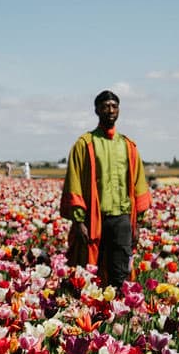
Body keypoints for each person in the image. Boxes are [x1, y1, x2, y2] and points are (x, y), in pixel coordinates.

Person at [60, 91, 150, 288]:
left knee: (120, 273)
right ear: (96, 110)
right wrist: (78, 219)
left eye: (114, 106)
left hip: (122, 219)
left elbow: (138, 183)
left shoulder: (128, 146)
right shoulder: (85, 144)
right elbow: (74, 180)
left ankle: (119, 312)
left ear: (118, 110)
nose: (110, 110)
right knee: (91, 272)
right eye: (105, 106)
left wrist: (138, 222)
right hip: (94, 218)